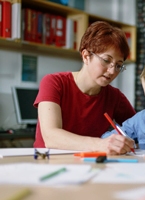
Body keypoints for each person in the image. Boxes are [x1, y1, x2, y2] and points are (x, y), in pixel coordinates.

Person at [33, 21, 136, 154]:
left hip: (89, 164)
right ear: (86, 56)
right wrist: (101, 144)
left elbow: (142, 129)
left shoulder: (114, 97)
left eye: (118, 65)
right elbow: (51, 137)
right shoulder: (54, 82)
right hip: (48, 162)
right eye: (106, 60)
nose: (112, 71)